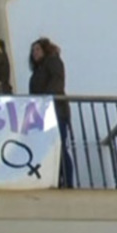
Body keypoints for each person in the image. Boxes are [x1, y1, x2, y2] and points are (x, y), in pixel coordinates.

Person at [29, 37, 74, 189]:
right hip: (44, 113)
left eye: (38, 49)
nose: (34, 53)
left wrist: (46, 102)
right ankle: (56, 179)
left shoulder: (53, 62)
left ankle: (67, 181)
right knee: (49, 148)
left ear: (45, 50)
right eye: (33, 50)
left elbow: (57, 82)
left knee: (59, 146)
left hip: (56, 111)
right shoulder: (36, 72)